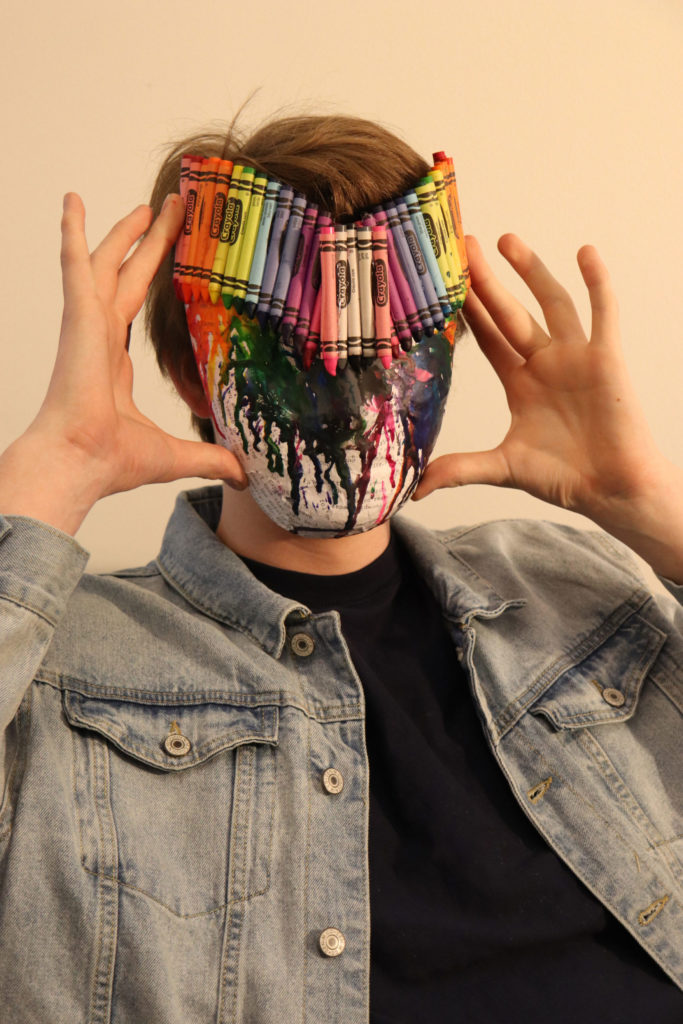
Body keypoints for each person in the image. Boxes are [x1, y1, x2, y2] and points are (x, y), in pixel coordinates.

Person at [0, 113, 681, 1024]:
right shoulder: (55, 669)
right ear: (188, 369)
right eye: (285, 349)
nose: (353, 394)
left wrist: (652, 511)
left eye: (399, 344)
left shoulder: (571, 588)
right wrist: (52, 472)